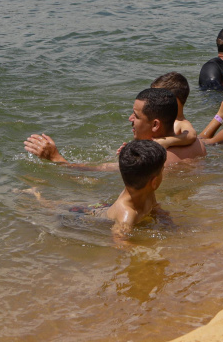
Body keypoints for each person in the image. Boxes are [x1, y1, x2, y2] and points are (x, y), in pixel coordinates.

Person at [24, 88, 206, 169]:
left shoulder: (149, 162)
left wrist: (55, 158)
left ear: (155, 125)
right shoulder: (198, 145)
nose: (130, 119)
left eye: (136, 115)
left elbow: (95, 173)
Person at [26, 139, 170, 238]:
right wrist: (143, 253)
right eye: (162, 170)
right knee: (54, 208)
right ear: (154, 181)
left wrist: (168, 224)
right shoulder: (127, 215)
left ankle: (36, 193)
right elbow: (120, 242)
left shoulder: (149, 192)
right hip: (85, 219)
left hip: (102, 209)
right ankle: (35, 194)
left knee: (75, 206)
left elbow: (156, 208)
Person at [150, 72, 197, 148]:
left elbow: (191, 135)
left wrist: (167, 141)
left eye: (157, 97)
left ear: (174, 100)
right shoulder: (160, 119)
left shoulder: (181, 123)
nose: (153, 100)